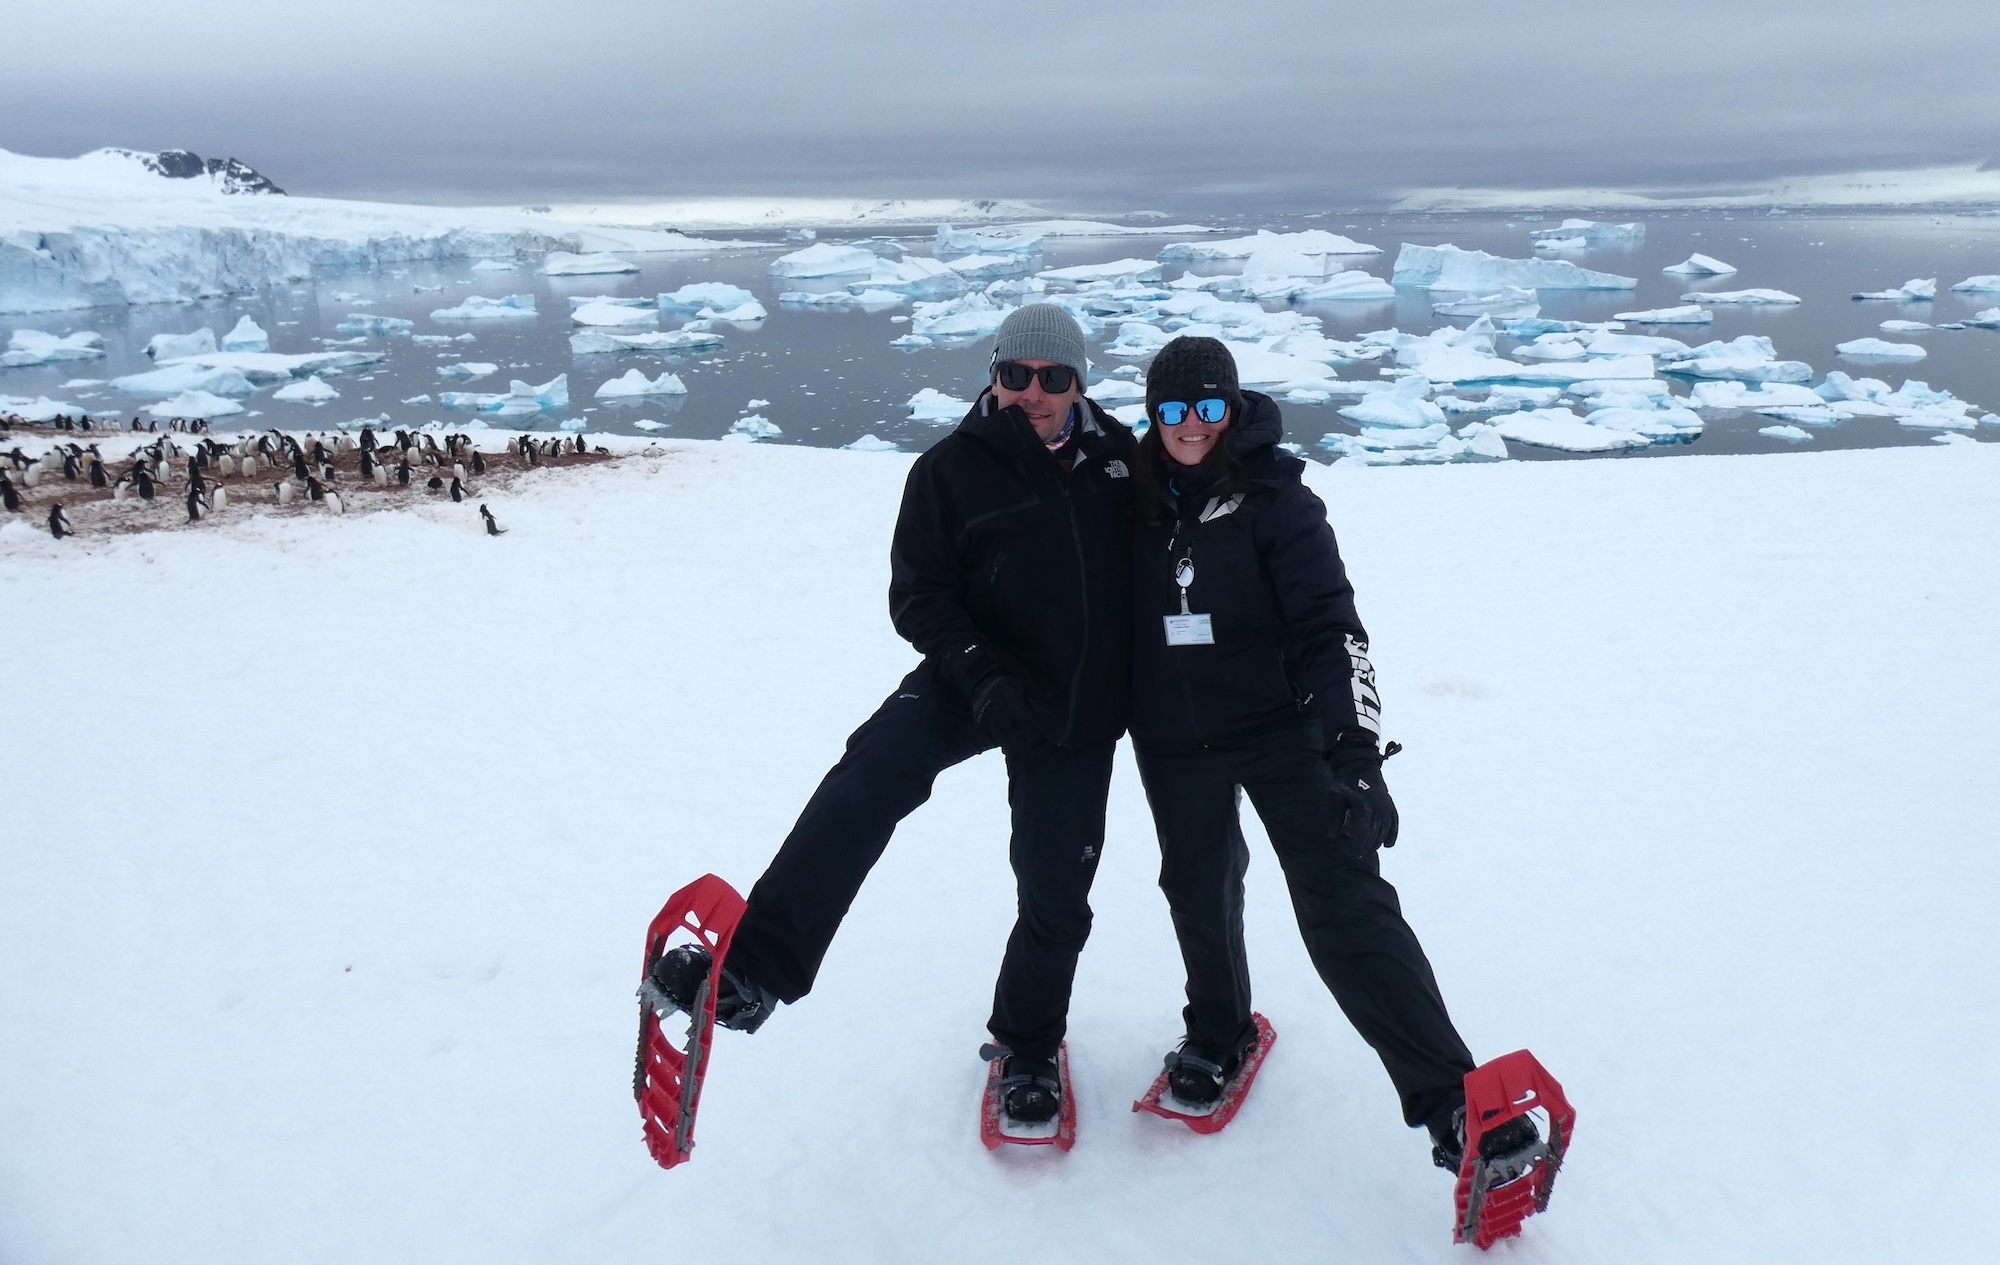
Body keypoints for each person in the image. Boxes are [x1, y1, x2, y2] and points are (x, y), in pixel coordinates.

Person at [649, 304, 1136, 1126]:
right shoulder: (951, 470)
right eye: (1014, 375)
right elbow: (918, 595)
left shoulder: (1123, 463)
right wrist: (980, 674)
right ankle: (757, 965)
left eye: (1051, 378)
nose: (1032, 393)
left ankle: (1027, 1046)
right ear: (994, 376)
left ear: (1079, 383)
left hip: (1074, 700)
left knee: (1056, 885)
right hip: (970, 677)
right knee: (870, 773)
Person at [1125, 335, 1535, 1171]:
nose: (1192, 426)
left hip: (1282, 726)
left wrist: (1355, 756)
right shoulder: (1127, 500)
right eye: (1173, 409)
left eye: (1209, 407)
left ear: (1232, 408)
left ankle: (1455, 1105)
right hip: (1173, 734)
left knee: (1344, 902)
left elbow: (1331, 632)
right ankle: (1218, 1030)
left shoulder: (1279, 502)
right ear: (1152, 416)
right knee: (1197, 885)